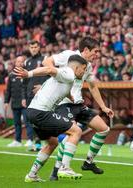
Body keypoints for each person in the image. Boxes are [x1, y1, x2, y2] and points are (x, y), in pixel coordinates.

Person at [42, 37, 114, 180]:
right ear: (86, 50)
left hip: (78, 104)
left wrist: (104, 107)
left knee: (104, 129)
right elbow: (46, 62)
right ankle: (60, 169)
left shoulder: (87, 65)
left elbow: (93, 86)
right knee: (73, 134)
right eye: (95, 51)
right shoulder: (68, 55)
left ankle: (88, 162)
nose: (97, 55)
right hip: (63, 103)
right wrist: (57, 76)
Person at [14, 54, 88, 182]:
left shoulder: (70, 79)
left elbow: (66, 91)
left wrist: (73, 99)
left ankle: (32, 175)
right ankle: (64, 168)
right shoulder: (68, 73)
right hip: (41, 112)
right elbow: (49, 69)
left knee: (53, 143)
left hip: (32, 112)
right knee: (76, 131)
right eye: (84, 68)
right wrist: (28, 74)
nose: (85, 71)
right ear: (76, 68)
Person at [22, 40, 50, 149]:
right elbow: (24, 82)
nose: (33, 49)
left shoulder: (45, 59)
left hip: (43, 95)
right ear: (29, 49)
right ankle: (37, 143)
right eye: (31, 47)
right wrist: (24, 97)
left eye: (35, 47)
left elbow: (52, 76)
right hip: (29, 96)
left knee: (43, 119)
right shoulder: (27, 62)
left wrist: (41, 87)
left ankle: (47, 141)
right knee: (32, 120)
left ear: (39, 48)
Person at [4, 56, 33, 147]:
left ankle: (30, 140)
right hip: (15, 103)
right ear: (15, 63)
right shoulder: (11, 75)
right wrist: (6, 102)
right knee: (16, 123)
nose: (19, 63)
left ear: (24, 63)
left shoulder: (27, 74)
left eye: (21, 61)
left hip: (25, 103)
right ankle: (17, 140)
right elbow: (8, 90)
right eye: (18, 61)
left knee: (27, 121)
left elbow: (28, 88)